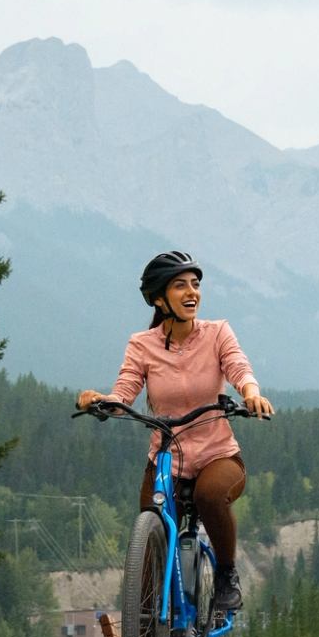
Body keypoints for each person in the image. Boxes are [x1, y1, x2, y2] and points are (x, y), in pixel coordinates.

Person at [76, 250, 273, 613]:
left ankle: (227, 575)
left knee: (210, 496)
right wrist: (104, 401)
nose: (191, 292)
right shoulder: (142, 344)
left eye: (195, 285)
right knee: (149, 537)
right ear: (158, 298)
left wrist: (251, 392)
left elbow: (238, 366)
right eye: (180, 286)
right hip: (166, 459)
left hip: (218, 455)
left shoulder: (217, 333)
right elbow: (126, 387)